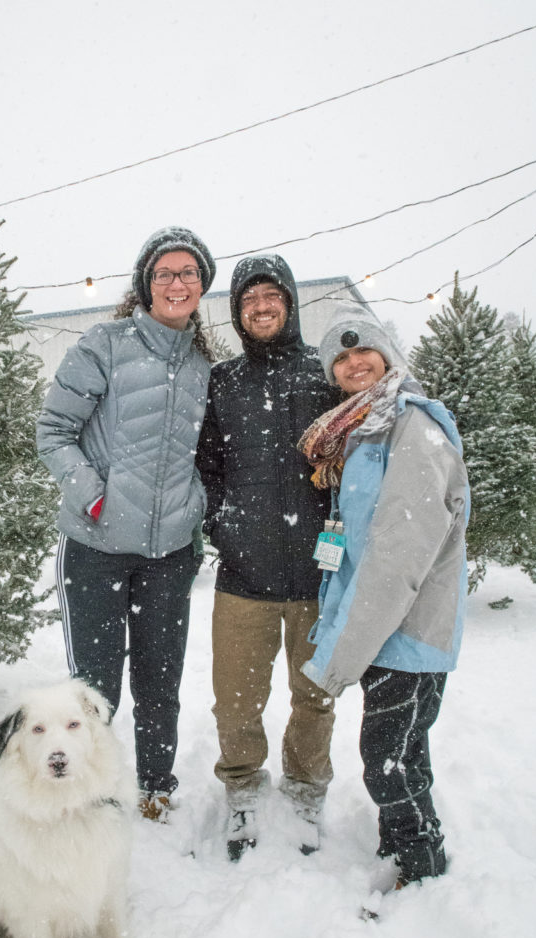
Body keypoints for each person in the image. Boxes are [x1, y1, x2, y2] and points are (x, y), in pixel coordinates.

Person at [36, 226, 216, 822]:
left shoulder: (201, 363)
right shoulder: (105, 344)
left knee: (159, 680)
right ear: (145, 283)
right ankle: (92, 793)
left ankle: (156, 786)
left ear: (201, 286)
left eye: (188, 272)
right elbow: (53, 431)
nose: (176, 282)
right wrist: (94, 499)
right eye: (164, 272)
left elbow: (207, 453)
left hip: (169, 554)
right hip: (97, 546)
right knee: (94, 688)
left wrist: (194, 515)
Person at [299, 317, 469, 887]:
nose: (352, 364)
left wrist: (347, 648)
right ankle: (400, 848)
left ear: (388, 354)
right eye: (339, 361)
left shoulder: (412, 424)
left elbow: (401, 549)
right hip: (386, 626)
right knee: (402, 750)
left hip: (407, 625)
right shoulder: (366, 428)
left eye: (363, 351)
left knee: (387, 760)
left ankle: (421, 864)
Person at [196, 254, 338, 861]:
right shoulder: (222, 382)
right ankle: (243, 787)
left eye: (270, 294)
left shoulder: (325, 376)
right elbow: (206, 468)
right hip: (243, 574)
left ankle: (306, 788)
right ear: (237, 311)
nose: (261, 305)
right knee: (236, 696)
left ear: (290, 303)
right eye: (248, 298)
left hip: (316, 574)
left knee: (314, 694)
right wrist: (222, 526)